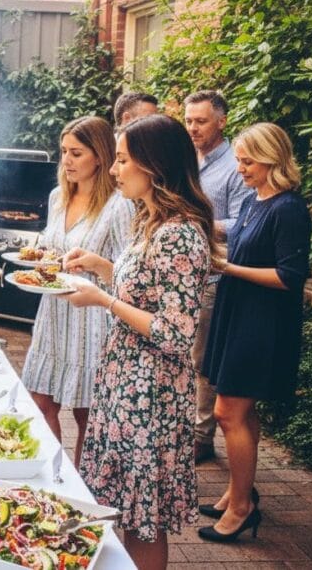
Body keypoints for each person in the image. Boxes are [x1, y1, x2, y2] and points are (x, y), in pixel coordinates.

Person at [62, 114, 215, 570]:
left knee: (144, 519)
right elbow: (147, 288)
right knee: (127, 509)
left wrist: (104, 301)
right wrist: (102, 267)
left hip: (150, 394)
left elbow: (175, 331)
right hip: (125, 384)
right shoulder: (152, 220)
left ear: (154, 165)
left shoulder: (180, 233)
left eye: (123, 160)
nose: (114, 169)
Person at [199, 122, 311, 543]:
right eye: (241, 159)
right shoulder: (253, 203)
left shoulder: (288, 209)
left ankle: (243, 508)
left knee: (228, 412)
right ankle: (237, 491)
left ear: (272, 159)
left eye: (248, 160)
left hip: (262, 322)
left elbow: (289, 276)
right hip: (237, 312)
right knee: (242, 412)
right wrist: (214, 253)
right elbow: (242, 250)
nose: (240, 167)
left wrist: (227, 267)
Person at [21, 116, 133, 468]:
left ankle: (85, 489)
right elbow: (49, 251)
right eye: (64, 152)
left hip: (92, 322)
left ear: (99, 156)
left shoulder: (119, 206)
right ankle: (55, 477)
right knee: (39, 404)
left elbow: (131, 277)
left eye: (77, 153)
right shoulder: (58, 197)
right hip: (52, 314)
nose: (66, 161)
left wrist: (97, 264)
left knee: (88, 418)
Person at [183, 90, 253, 464]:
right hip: (182, 273)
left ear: (221, 122)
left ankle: (201, 436)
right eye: (189, 120)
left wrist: (195, 222)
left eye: (201, 121)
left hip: (213, 278)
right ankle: (182, 428)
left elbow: (244, 224)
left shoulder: (235, 167)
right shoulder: (186, 158)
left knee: (200, 360)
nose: (193, 127)